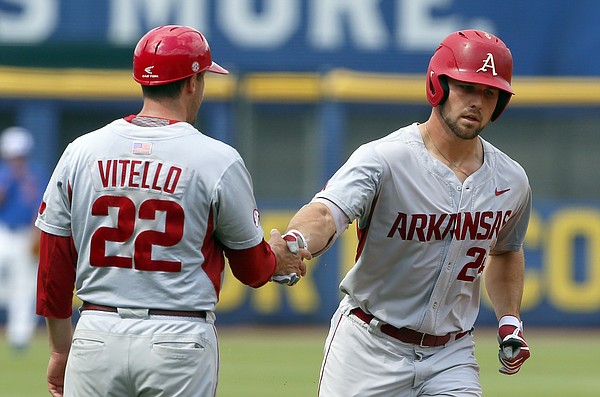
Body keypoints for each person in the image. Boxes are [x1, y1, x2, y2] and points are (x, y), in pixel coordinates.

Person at [35, 25, 309, 397]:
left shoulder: (81, 151)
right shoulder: (217, 159)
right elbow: (252, 269)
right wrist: (276, 259)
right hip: (178, 339)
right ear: (192, 82)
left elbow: (54, 263)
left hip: (96, 333)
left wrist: (59, 349)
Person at [284, 30, 532, 396]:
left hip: (452, 353)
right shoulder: (385, 158)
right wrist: (296, 240)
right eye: (466, 87)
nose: (477, 101)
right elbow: (325, 213)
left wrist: (509, 320)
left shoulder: (512, 180)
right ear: (438, 85)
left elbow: (506, 250)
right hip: (369, 346)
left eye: (489, 92)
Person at [0, 126, 45, 351]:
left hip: (24, 235)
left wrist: (35, 234)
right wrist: (10, 179)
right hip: (2, 231)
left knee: (24, 286)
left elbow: (40, 207)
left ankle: (19, 337)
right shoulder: (4, 173)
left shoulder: (35, 174)